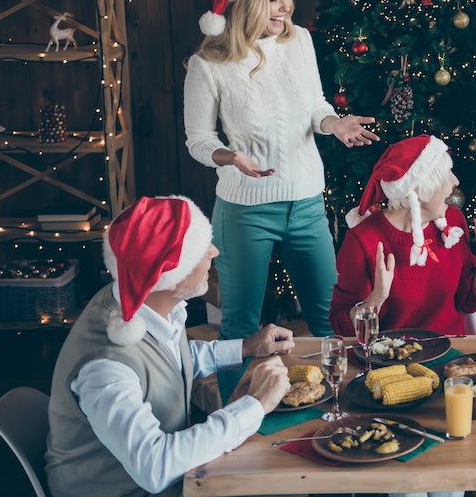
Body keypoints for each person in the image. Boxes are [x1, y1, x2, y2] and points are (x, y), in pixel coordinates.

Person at [184, 0, 378, 401]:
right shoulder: (208, 63)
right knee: (240, 325)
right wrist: (231, 158)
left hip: (307, 203)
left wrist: (334, 124)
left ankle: (344, 405)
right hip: (245, 211)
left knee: (331, 317)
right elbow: (198, 139)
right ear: (248, 1)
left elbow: (316, 108)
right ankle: (236, 429)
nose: (285, 6)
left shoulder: (300, 42)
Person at [46, 196, 295, 497]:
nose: (214, 252)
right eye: (201, 249)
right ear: (171, 276)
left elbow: (168, 361)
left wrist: (245, 347)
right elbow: (155, 467)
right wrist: (256, 402)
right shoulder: (105, 368)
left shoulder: (143, 303)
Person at [329, 135, 476, 337]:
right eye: (447, 175)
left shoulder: (453, 221)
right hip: (391, 358)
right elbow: (341, 325)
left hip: (449, 350)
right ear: (422, 189)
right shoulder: (363, 240)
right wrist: (376, 298)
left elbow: (467, 302)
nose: (455, 181)